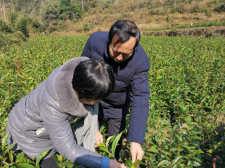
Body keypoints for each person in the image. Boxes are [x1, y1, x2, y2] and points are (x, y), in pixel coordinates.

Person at [6, 57, 128, 168]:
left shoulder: (81, 74)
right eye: (94, 100)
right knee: (51, 163)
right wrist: (110, 163)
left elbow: (90, 109)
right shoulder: (53, 105)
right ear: (81, 92)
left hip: (45, 125)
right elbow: (68, 150)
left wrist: (94, 129)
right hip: (29, 132)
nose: (98, 102)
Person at [81, 20, 150, 163]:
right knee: (89, 140)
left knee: (114, 145)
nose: (119, 58)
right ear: (109, 39)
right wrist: (92, 125)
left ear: (135, 47)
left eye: (125, 55)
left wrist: (136, 140)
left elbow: (140, 98)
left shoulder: (140, 62)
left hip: (117, 105)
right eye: (116, 51)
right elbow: (82, 74)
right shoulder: (95, 42)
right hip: (94, 100)